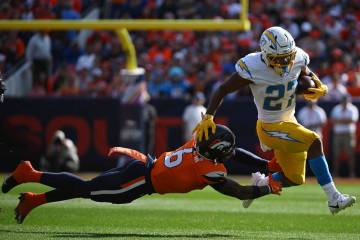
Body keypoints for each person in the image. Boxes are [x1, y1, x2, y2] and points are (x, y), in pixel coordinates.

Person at [194, 26, 356, 214]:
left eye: (288, 56)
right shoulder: (253, 66)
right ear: (266, 54)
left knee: (295, 179)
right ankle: (334, 198)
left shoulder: (297, 57)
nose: (286, 61)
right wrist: (209, 115)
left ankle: (261, 183)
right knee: (314, 141)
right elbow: (223, 89)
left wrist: (319, 84)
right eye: (280, 59)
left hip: (289, 121)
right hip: (269, 126)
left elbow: (306, 73)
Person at [2, 124, 282, 224]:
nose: (229, 154)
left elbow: (235, 153)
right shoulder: (208, 169)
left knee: (88, 188)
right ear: (217, 151)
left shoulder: (199, 142)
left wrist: (265, 165)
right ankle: (31, 173)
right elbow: (240, 192)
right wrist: (267, 188)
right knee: (86, 189)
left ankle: (34, 200)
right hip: (137, 183)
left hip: (143, 169)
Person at [330, 95, 359, 177]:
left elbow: (352, 120)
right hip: (338, 134)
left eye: (346, 100)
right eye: (343, 100)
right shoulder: (336, 108)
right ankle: (336, 173)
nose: (344, 102)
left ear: (349, 101)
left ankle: (352, 173)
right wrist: (345, 120)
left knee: (351, 155)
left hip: (348, 134)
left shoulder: (353, 109)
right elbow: (333, 120)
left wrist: (339, 121)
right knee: (336, 155)